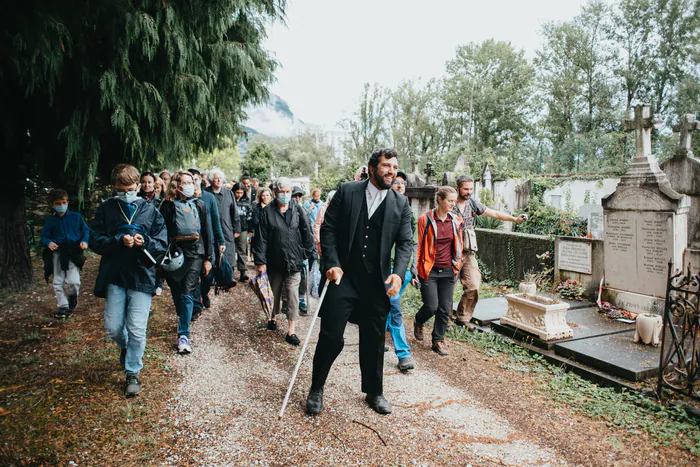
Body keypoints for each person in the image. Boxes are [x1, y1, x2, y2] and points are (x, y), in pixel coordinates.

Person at [306, 148, 413, 416]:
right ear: (372, 167)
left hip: (377, 283)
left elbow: (405, 243)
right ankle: (316, 388)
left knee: (375, 339)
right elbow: (328, 229)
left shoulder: (400, 204)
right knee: (330, 336)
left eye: (395, 166)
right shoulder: (347, 191)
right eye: (386, 165)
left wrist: (398, 273)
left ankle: (374, 392)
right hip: (343, 277)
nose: (392, 171)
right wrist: (331, 264)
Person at [89, 164, 168, 396]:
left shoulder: (150, 210)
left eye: (131, 189)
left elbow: (162, 243)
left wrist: (145, 242)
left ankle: (132, 372)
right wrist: (116, 240)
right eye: (121, 190)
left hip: (141, 275)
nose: (126, 194)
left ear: (138, 186)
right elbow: (94, 239)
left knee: (137, 328)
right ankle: (125, 347)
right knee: (113, 326)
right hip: (115, 274)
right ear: (114, 188)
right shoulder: (107, 209)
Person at [452, 175, 527, 329]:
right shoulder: (450, 203)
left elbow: (494, 214)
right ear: (457, 187)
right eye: (465, 189)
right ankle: (445, 321)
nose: (469, 192)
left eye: (471, 189)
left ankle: (463, 317)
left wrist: (514, 219)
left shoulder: (472, 204)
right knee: (447, 289)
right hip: (450, 253)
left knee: (473, 285)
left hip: (468, 252)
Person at [253, 177, 314, 346]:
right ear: (275, 192)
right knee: (274, 292)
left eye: (288, 192)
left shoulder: (298, 210)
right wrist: (261, 262)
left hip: (294, 261)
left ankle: (291, 330)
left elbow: (306, 232)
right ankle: (272, 317)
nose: (285, 195)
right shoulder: (268, 212)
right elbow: (261, 238)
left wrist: (308, 253)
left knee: (293, 295)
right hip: (274, 261)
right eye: (282, 192)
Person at [160, 171, 212, 354]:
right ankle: (183, 317)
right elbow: (162, 232)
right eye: (185, 182)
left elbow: (207, 231)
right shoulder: (167, 206)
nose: (190, 185)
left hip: (196, 254)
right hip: (175, 255)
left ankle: (183, 334)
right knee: (176, 289)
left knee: (188, 289)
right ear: (177, 185)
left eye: (191, 181)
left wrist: (208, 258)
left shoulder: (200, 204)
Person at [413, 187, 463, 356]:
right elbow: (418, 246)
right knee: (431, 306)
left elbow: (459, 245)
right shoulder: (424, 219)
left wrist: (457, 266)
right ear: (440, 200)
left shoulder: (456, 220)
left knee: (444, 308)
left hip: (449, 270)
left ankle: (438, 340)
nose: (453, 204)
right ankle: (419, 320)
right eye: (450, 200)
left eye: (454, 201)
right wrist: (415, 271)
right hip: (430, 271)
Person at [386, 170, 419, 370]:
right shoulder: (383, 207)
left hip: (404, 270)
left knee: (388, 306)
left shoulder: (408, 212)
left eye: (402, 183)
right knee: (395, 307)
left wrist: (413, 269)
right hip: (386, 268)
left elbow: (410, 243)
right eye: (396, 182)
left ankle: (378, 339)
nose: (399, 185)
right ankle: (403, 354)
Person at [41, 189, 89, 318]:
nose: (61, 205)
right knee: (58, 281)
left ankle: (73, 296)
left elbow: (85, 231)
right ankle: (63, 306)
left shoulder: (76, 217)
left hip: (73, 252)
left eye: (63, 202)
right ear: (52, 205)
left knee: (74, 281)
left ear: (67, 202)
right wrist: (49, 242)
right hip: (58, 253)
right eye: (58, 203)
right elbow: (44, 237)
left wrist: (84, 241)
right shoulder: (51, 221)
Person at [189, 169, 225, 315]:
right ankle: (196, 306)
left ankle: (204, 293)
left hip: (208, 242)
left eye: (195, 180)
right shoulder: (184, 199)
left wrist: (221, 240)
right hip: (191, 244)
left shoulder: (209, 197)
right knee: (193, 275)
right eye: (190, 181)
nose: (193, 183)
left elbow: (216, 221)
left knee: (207, 275)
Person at [205, 170, 240, 271]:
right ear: (211, 180)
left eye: (221, 178)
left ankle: (227, 278)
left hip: (226, 229)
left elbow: (235, 213)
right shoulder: (206, 193)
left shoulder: (229, 193)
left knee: (228, 256)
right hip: (210, 228)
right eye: (216, 178)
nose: (219, 180)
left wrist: (237, 229)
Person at [291, 185, 310, 314]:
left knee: (303, 276)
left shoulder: (304, 210)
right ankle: (287, 300)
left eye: (299, 196)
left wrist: (308, 250)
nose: (297, 198)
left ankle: (302, 300)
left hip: (301, 248)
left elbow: (308, 231)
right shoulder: (286, 210)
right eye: (295, 195)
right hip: (290, 248)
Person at [232, 181, 253, 281]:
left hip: (243, 228)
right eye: (237, 192)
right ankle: (229, 271)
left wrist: (250, 229)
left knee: (242, 250)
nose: (239, 194)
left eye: (241, 192)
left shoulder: (246, 201)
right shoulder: (230, 200)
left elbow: (249, 215)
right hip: (230, 228)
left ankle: (242, 271)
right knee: (231, 249)